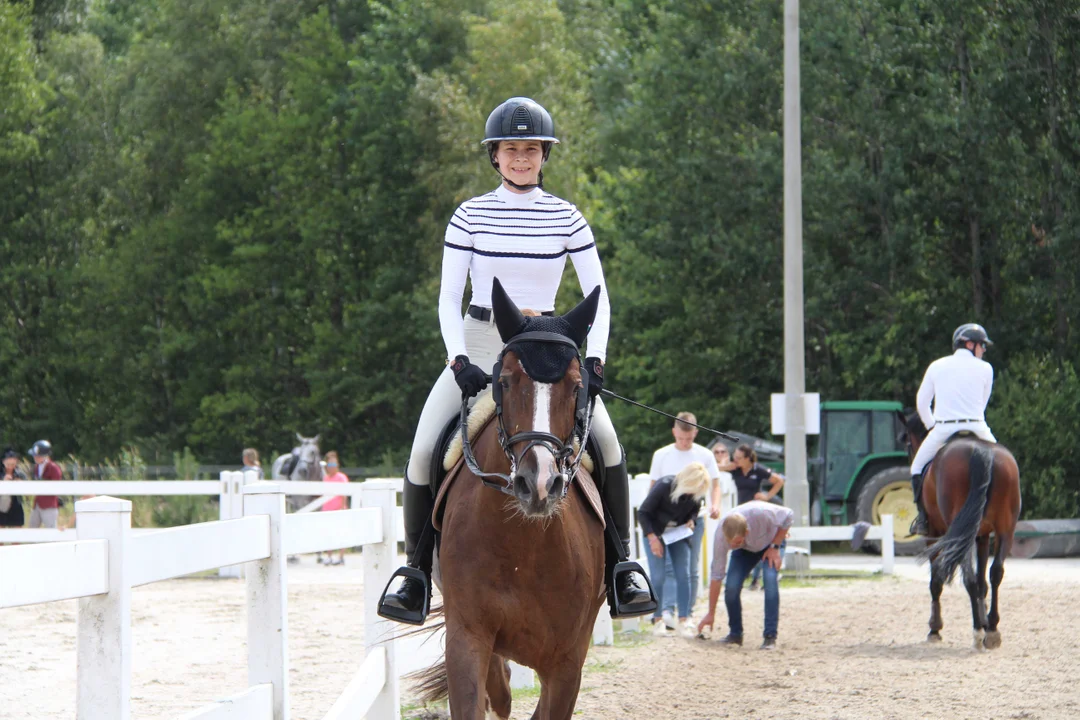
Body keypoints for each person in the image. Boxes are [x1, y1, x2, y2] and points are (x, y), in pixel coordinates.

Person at [379, 97, 652, 622]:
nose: (521, 158)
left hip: (548, 344)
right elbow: (447, 296)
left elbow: (600, 293)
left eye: (531, 150)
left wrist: (595, 361)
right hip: (483, 336)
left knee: (609, 447)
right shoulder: (470, 214)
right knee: (421, 452)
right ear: (495, 156)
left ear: (544, 155)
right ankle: (414, 575)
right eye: (511, 150)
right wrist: (458, 358)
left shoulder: (567, 215)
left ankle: (622, 569)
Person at [909, 323, 997, 535]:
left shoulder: (936, 366)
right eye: (981, 345)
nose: (983, 350)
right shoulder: (986, 368)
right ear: (969, 344)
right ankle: (1000, 512)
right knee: (1004, 464)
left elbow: (922, 403)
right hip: (978, 428)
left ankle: (922, 519)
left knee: (916, 468)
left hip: (943, 430)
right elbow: (982, 404)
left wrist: (932, 426)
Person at [647, 411, 722, 622]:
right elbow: (653, 487)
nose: (684, 442)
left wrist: (715, 505)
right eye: (680, 438)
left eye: (689, 438)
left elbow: (715, 484)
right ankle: (668, 610)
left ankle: (686, 612)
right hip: (665, 520)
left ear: (696, 433)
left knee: (690, 567)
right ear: (674, 432)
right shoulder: (661, 455)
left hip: (692, 518)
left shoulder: (705, 455)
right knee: (668, 567)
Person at [697, 500, 794, 650]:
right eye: (730, 543)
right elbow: (717, 576)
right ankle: (735, 634)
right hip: (745, 551)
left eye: (736, 542)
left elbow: (788, 515)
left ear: (746, 532)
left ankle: (770, 637)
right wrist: (711, 613)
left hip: (771, 542)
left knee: (770, 581)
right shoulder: (721, 538)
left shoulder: (762, 513)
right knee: (731, 587)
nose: (731, 546)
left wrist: (775, 545)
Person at [638, 463, 711, 636]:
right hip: (654, 532)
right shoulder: (664, 485)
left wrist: (691, 520)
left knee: (683, 574)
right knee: (658, 576)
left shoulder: (695, 493)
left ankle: (684, 619)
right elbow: (643, 512)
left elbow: (694, 510)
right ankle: (658, 620)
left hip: (678, 534)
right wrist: (652, 538)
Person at [318, 452, 349, 566]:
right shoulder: (326, 478)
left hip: (338, 509)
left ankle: (340, 557)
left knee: (340, 533)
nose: (331, 468)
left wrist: (342, 507)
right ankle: (329, 556)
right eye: (329, 465)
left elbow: (344, 494)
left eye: (333, 465)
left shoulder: (341, 477)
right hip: (327, 509)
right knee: (328, 534)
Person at [27, 440, 62, 529]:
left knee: (51, 529)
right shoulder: (36, 467)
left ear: (45, 456)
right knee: (32, 528)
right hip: (37, 503)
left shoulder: (53, 468)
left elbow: (56, 486)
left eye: (38, 456)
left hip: (49, 504)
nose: (35, 458)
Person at [0, 448, 27, 529]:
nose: (10, 467)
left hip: (16, 505)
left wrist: (20, 483)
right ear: (3, 462)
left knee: (16, 533)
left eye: (13, 464)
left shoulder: (21, 474)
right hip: (1, 505)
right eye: (8, 464)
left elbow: (26, 489)